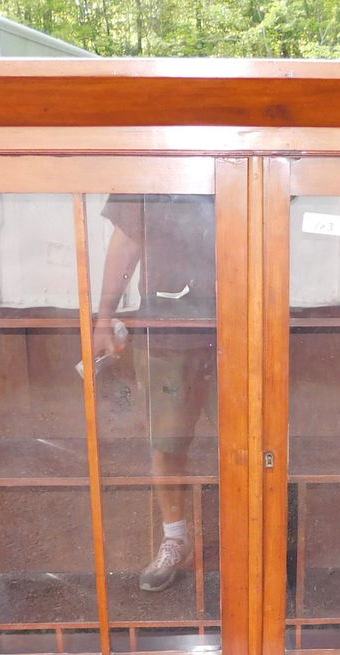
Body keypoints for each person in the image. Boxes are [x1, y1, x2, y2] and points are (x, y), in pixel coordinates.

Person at [93, 193, 216, 592]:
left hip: (239, 323)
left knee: (249, 443)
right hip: (166, 331)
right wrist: (104, 317)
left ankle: (249, 542)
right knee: (166, 442)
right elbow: (126, 241)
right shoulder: (143, 170)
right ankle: (175, 538)